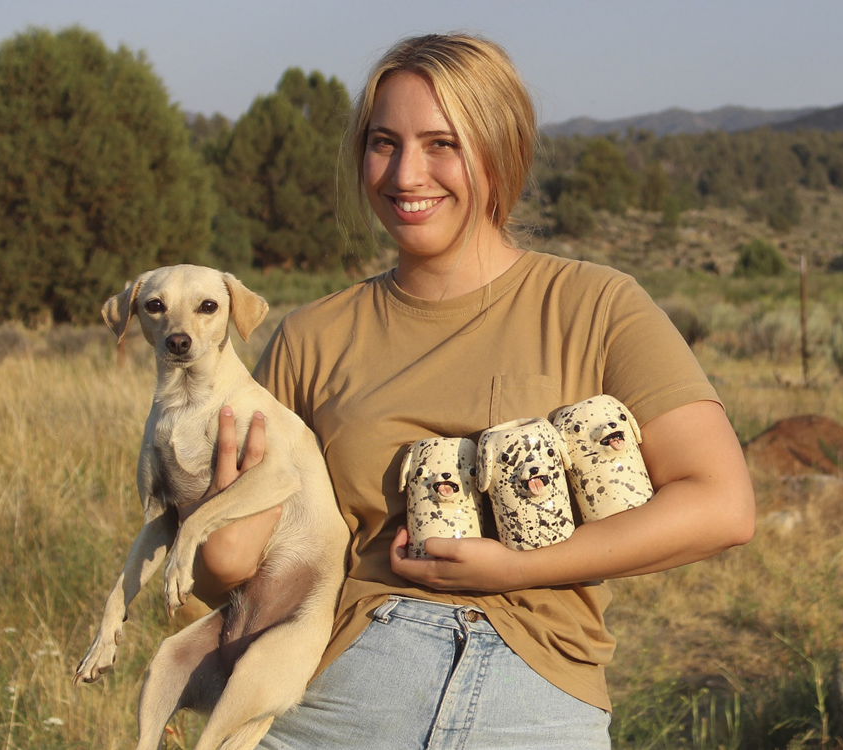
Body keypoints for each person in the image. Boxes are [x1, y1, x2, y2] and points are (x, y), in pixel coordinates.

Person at [189, 33, 756, 749]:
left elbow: (721, 506)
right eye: (384, 143)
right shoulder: (311, 337)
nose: (406, 174)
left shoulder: (596, 305)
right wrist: (219, 552)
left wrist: (523, 566)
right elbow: (235, 573)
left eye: (442, 144)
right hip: (341, 692)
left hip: (532, 690)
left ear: (500, 150)